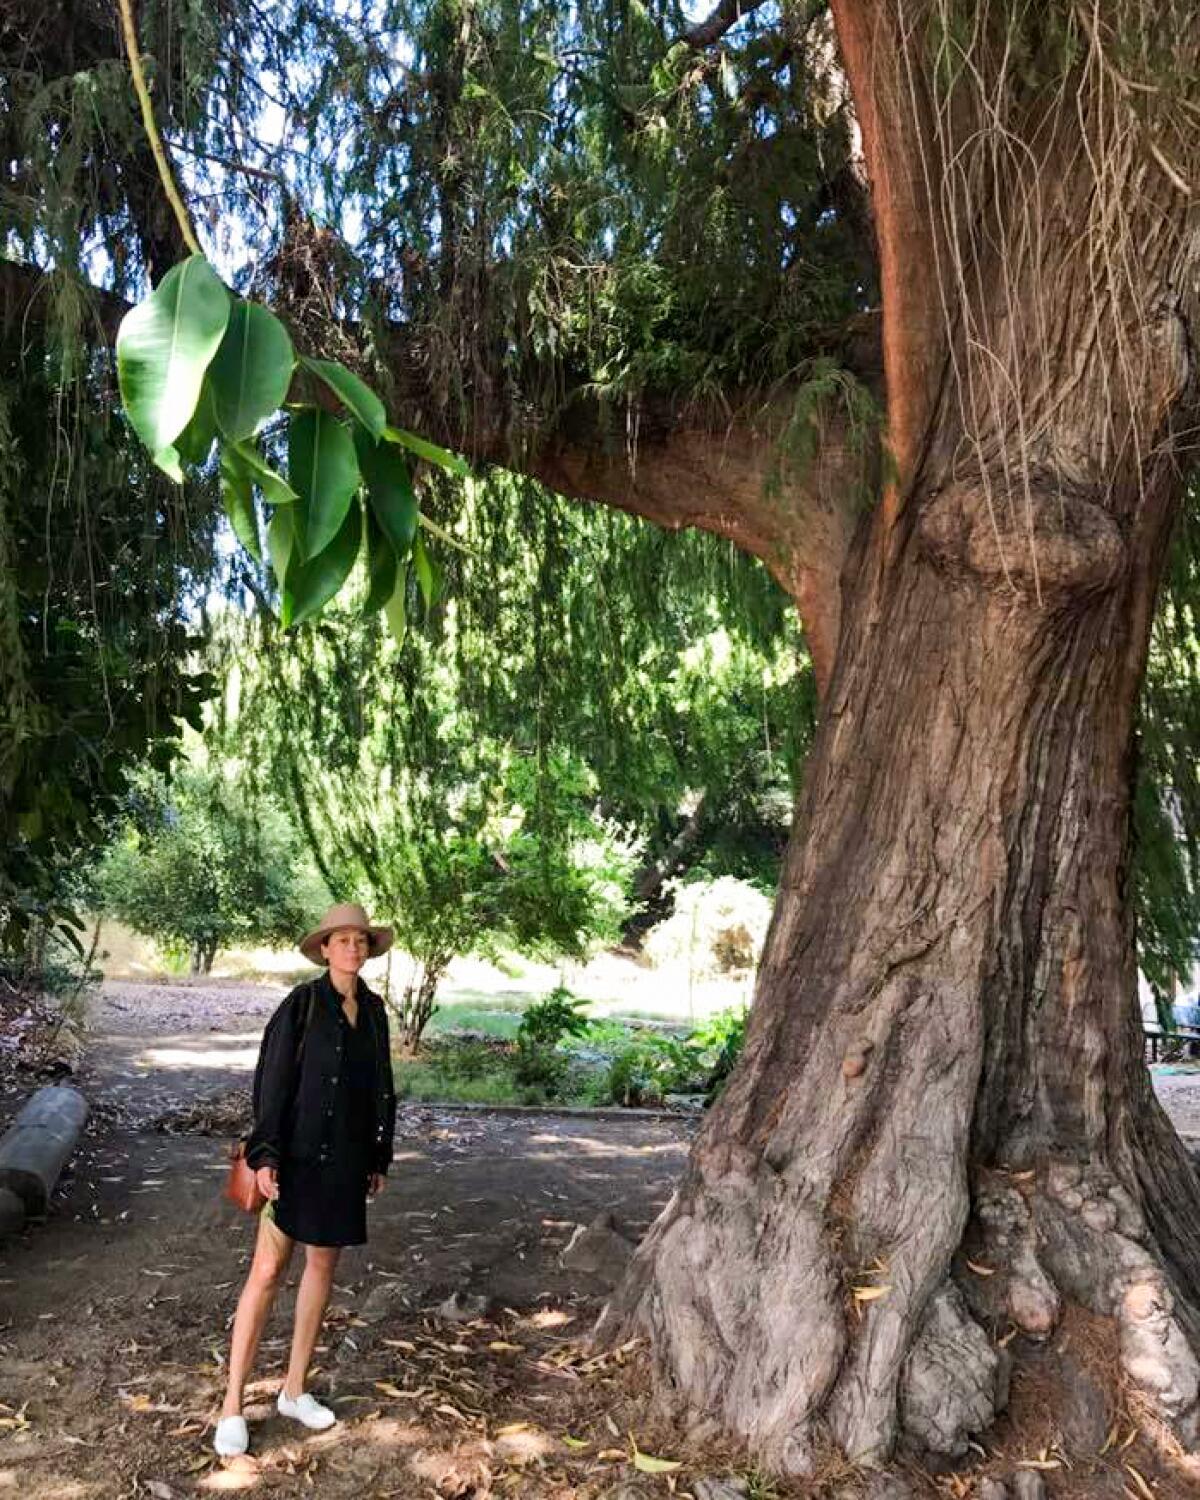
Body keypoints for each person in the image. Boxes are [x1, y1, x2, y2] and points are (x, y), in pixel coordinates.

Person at [213, 903, 397, 1458]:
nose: (352, 949)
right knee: (267, 1270)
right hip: (292, 1159)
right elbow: (271, 1083)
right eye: (342, 940)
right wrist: (266, 1155)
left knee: (322, 1266)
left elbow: (380, 1087)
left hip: (344, 1160)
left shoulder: (374, 1011)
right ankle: (231, 1405)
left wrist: (378, 1155)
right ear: (324, 949)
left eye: (360, 940)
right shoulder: (300, 1005)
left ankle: (294, 1391)